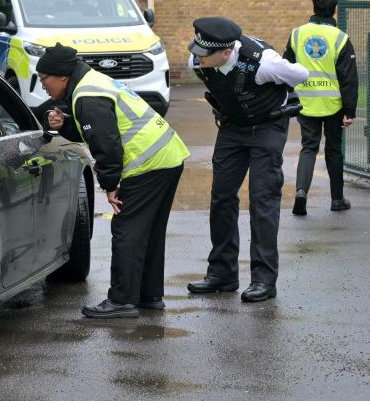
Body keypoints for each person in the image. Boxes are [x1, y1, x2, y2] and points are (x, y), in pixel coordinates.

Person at [38, 44, 190, 319]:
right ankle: (148, 295)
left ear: (61, 76)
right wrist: (67, 125)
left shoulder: (87, 95)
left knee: (127, 230)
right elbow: (97, 129)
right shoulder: (90, 83)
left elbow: (105, 145)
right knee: (149, 231)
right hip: (167, 155)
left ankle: (122, 300)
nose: (42, 85)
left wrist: (110, 185)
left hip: (148, 163)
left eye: (43, 78)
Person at [187, 17, 308, 302]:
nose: (197, 57)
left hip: (267, 127)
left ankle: (264, 280)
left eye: (205, 54)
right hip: (232, 127)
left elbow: (300, 75)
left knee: (262, 199)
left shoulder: (265, 62)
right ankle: (222, 273)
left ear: (227, 53)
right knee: (221, 197)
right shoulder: (199, 59)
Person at [284, 0, 358, 215]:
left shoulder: (297, 34)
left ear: (313, 7)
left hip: (305, 103)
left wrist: (289, 97)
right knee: (334, 151)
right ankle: (337, 200)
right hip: (334, 106)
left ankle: (300, 193)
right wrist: (350, 111)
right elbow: (348, 78)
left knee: (308, 148)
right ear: (334, 10)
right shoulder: (340, 38)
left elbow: (286, 68)